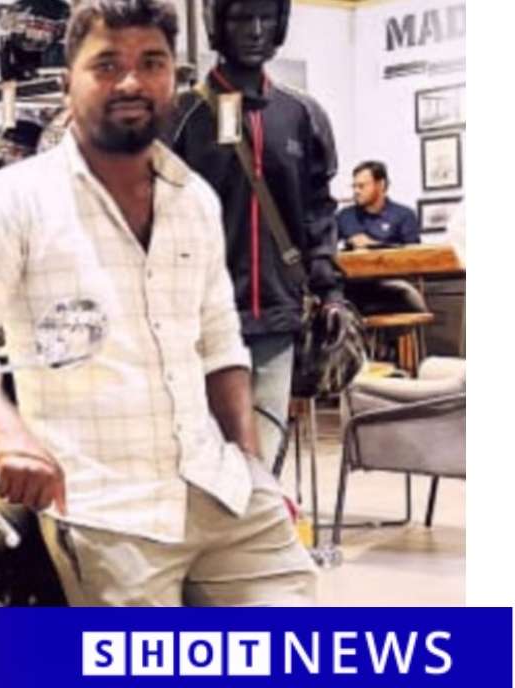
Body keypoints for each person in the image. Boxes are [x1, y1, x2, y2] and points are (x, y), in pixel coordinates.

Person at [0, 0, 316, 606]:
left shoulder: (194, 199)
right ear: (68, 83)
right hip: (104, 508)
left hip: (221, 489)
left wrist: (250, 465)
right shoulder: (13, 200)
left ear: (172, 79)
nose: (131, 82)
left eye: (151, 63)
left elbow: (220, 345)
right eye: (106, 65)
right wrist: (9, 435)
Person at [168, 0, 352, 467]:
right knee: (205, 457)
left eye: (266, 18)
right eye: (240, 18)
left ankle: (264, 513)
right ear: (217, 26)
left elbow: (317, 213)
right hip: (201, 319)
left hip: (276, 314)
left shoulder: (302, 115)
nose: (254, 30)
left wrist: (330, 291)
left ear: (281, 25)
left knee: (263, 458)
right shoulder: (181, 116)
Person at [337, 161, 421, 248]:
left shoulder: (404, 216)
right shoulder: (345, 216)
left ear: (381, 185)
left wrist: (374, 245)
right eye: (354, 186)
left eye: (361, 186)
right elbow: (328, 246)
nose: (356, 191)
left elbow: (414, 252)